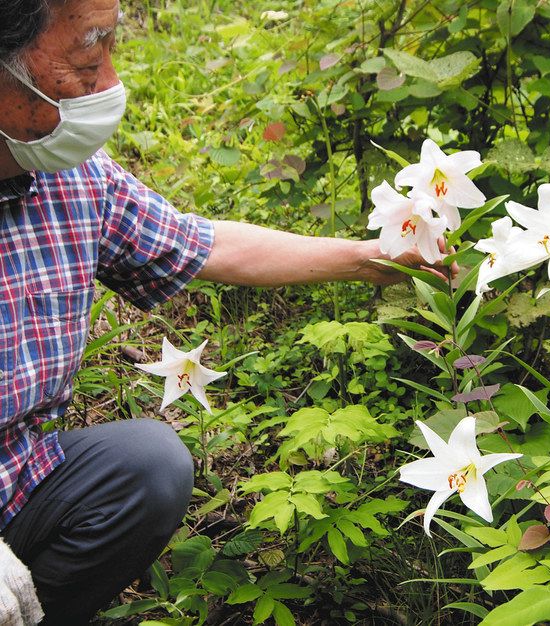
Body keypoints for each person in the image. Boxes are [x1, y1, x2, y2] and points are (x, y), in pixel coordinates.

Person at [0, 0, 455, 624]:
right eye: (85, 58)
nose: (109, 85)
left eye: (111, 51)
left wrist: (369, 256)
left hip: (16, 476)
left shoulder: (72, 179)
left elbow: (208, 243)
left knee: (148, 466)